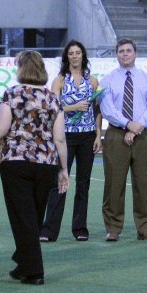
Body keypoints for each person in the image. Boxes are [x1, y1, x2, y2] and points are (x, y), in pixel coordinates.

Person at [0, 51, 69, 285]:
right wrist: (63, 169)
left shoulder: (14, 94)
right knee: (35, 217)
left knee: (22, 217)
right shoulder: (52, 98)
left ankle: (34, 270)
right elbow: (59, 139)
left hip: (16, 162)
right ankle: (23, 261)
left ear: (21, 68)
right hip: (46, 164)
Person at [39, 40, 102, 242]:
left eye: (78, 53)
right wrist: (74, 107)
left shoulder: (92, 81)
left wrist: (98, 134)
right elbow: (53, 108)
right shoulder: (59, 80)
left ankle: (80, 228)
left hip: (87, 136)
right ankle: (49, 230)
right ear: (67, 57)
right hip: (65, 137)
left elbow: (97, 110)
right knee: (59, 181)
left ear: (83, 56)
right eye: (71, 53)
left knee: (83, 183)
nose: (75, 56)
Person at [99, 38, 147, 242]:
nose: (125, 54)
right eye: (121, 51)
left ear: (135, 53)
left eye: (128, 51)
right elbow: (107, 108)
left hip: (142, 135)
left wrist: (136, 128)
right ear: (116, 54)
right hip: (116, 134)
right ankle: (113, 228)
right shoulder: (107, 80)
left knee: (143, 183)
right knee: (114, 184)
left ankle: (145, 228)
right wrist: (127, 124)